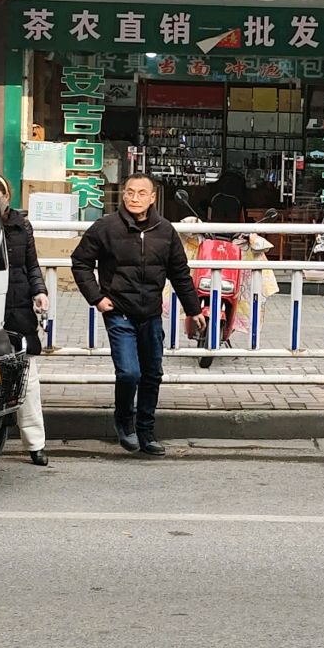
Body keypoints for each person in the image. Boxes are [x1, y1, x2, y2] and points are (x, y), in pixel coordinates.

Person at [71, 173, 206, 455]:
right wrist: (97, 298)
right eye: (130, 192)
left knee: (152, 374)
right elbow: (80, 262)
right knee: (129, 373)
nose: (135, 198)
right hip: (118, 311)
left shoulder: (165, 231)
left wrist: (193, 310)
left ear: (152, 197)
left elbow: (180, 273)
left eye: (142, 193)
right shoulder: (106, 227)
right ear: (123, 195)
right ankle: (124, 421)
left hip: (151, 314)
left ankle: (146, 432)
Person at [0, 174, 50, 467]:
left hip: (18, 309)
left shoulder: (22, 225)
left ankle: (36, 444)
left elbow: (32, 265)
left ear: (8, 196)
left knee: (27, 380)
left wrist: (40, 291)